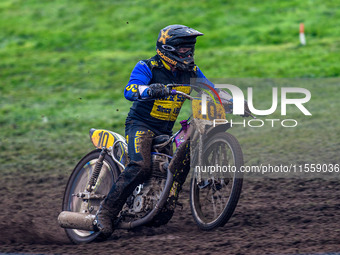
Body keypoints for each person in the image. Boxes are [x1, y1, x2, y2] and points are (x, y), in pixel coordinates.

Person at [95, 24, 212, 236]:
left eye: (190, 48)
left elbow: (211, 89)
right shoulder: (147, 66)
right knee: (140, 166)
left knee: (180, 163)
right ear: (167, 49)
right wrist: (149, 89)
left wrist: (234, 102)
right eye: (183, 49)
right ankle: (105, 213)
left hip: (165, 131)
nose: (189, 53)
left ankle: (158, 209)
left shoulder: (192, 71)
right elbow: (130, 89)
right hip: (141, 124)